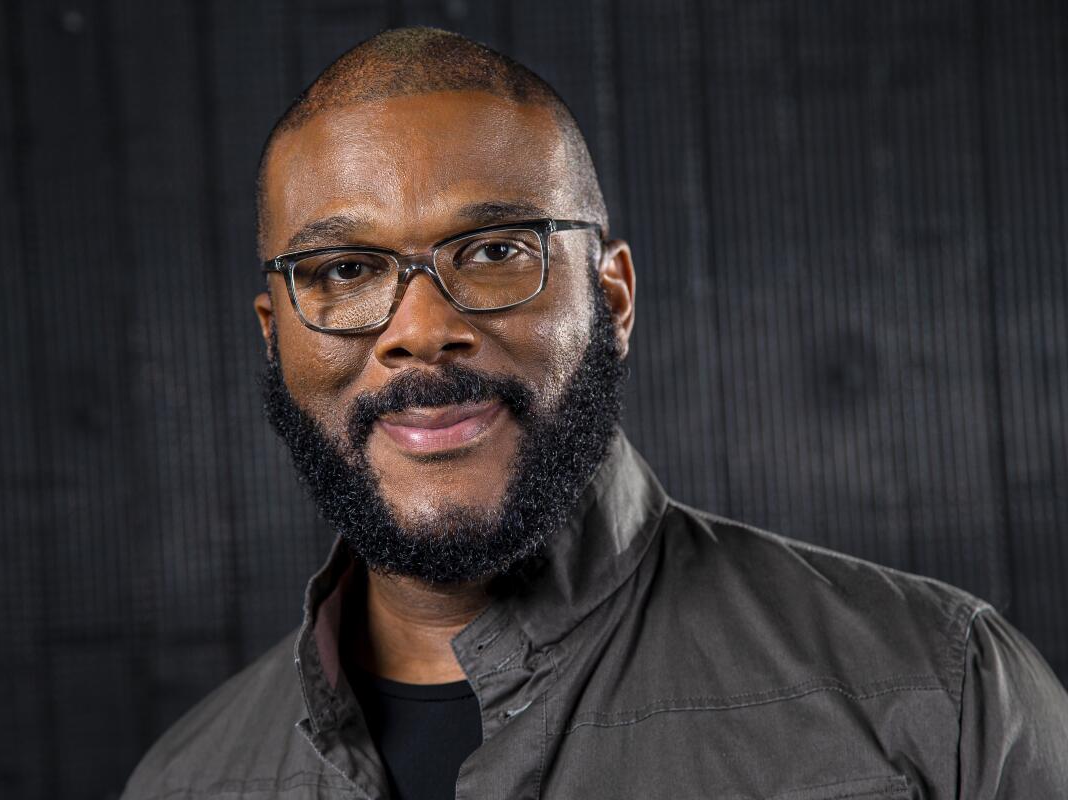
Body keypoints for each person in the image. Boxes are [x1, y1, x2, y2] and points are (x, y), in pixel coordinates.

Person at [122, 27, 1068, 800]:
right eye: (343, 271)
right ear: (274, 335)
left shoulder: (939, 698)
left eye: (494, 251)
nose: (420, 329)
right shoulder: (185, 783)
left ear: (611, 299)